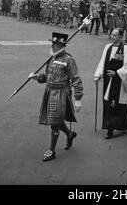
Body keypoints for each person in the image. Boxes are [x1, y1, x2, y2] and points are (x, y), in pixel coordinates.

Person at [28, 32, 83, 162]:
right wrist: (37, 77)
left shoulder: (69, 60)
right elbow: (47, 77)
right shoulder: (51, 59)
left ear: (63, 45)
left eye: (57, 44)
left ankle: (51, 150)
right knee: (56, 120)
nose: (54, 46)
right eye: (53, 44)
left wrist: (78, 98)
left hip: (61, 93)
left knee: (54, 123)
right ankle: (70, 134)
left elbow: (76, 79)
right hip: (49, 91)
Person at [94, 28, 127, 139]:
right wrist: (98, 75)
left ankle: (115, 128)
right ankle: (111, 127)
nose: (112, 37)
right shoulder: (107, 47)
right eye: (111, 34)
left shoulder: (126, 49)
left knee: (118, 103)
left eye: (114, 35)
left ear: (120, 36)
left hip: (119, 81)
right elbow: (102, 61)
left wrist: (117, 73)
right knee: (108, 103)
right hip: (108, 80)